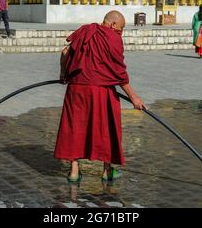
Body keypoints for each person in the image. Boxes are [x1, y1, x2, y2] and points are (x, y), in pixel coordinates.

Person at [54, 11, 146, 183]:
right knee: (106, 128)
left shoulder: (86, 31)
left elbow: (65, 52)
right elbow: (119, 72)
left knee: (75, 126)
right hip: (102, 91)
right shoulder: (112, 37)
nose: (121, 33)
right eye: (121, 28)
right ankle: (107, 170)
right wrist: (134, 97)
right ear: (112, 24)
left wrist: (63, 74)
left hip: (77, 89)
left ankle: (74, 171)